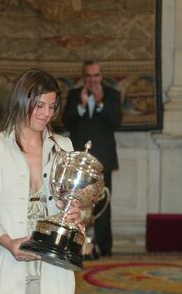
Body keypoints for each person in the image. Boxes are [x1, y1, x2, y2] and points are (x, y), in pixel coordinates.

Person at [0, 68, 82, 294]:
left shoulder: (64, 147)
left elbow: (72, 203)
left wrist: (75, 215)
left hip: (53, 263)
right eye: (39, 105)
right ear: (22, 100)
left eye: (51, 107)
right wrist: (8, 242)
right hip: (4, 259)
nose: (46, 114)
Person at [62, 59, 122, 258]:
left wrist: (100, 103)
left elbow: (116, 122)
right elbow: (65, 121)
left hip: (103, 159)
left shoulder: (112, 95)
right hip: (79, 162)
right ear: (84, 77)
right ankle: (77, 246)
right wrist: (80, 105)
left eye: (96, 76)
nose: (92, 80)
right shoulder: (73, 95)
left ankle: (105, 248)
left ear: (101, 76)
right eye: (88, 76)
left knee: (103, 203)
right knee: (77, 204)